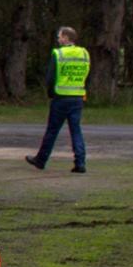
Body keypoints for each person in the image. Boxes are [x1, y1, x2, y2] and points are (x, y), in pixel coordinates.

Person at [26, 26, 89, 173]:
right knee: (76, 130)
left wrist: (50, 94)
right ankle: (80, 162)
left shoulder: (59, 54)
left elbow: (51, 77)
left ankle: (41, 160)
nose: (58, 39)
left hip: (61, 97)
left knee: (52, 131)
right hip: (78, 97)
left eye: (60, 36)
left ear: (66, 38)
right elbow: (87, 74)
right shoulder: (84, 53)